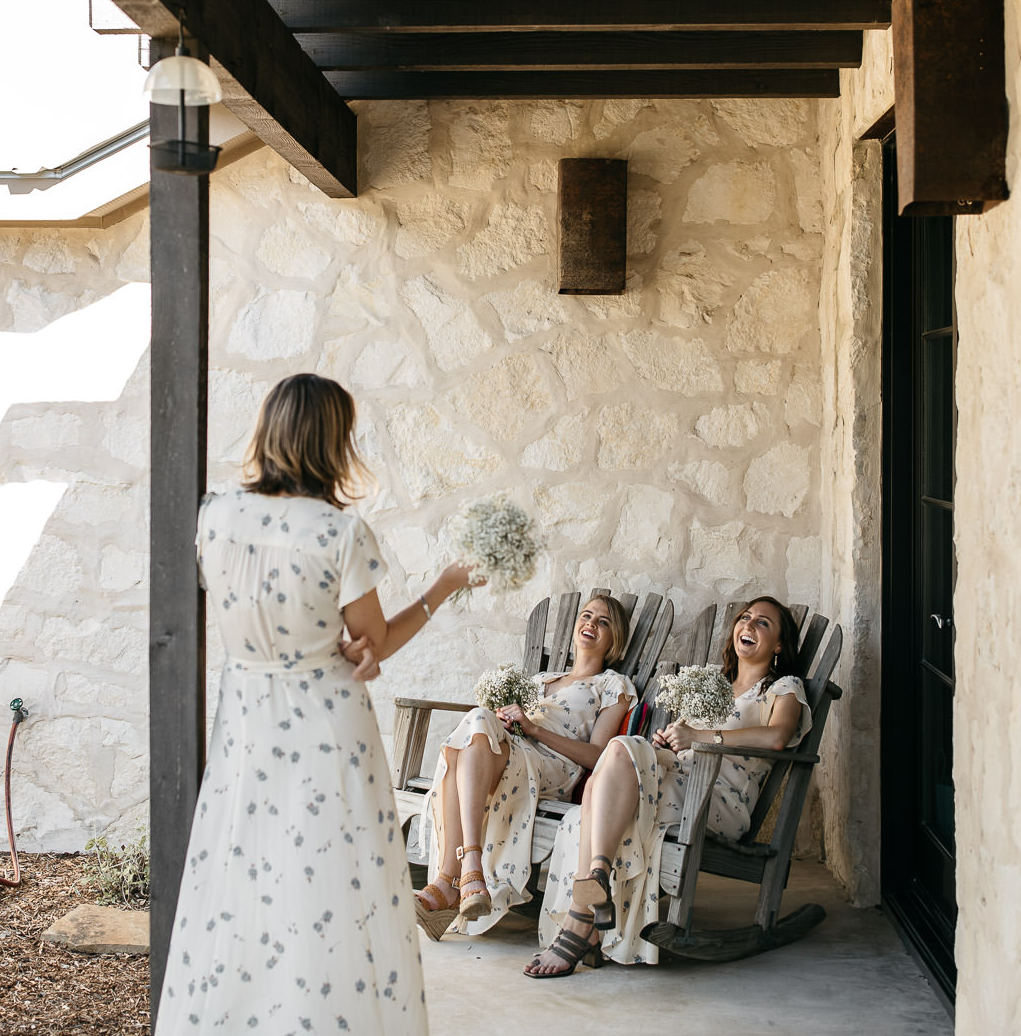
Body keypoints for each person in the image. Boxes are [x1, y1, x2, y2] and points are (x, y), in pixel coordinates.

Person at [155, 373, 472, 1034]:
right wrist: (443, 586)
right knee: (332, 881)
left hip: (245, 719)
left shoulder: (214, 514)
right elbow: (375, 643)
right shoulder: (339, 533)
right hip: (327, 722)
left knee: (243, 869)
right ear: (334, 441)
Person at [526, 596, 812, 976]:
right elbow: (686, 742)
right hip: (680, 781)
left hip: (715, 800)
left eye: (763, 623)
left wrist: (701, 736)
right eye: (745, 617)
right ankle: (596, 880)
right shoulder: (713, 685)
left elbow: (777, 737)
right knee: (612, 761)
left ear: (778, 645)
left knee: (614, 765)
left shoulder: (783, 687)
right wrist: (670, 742)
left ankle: (581, 917)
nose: (748, 625)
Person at [411, 596, 635, 940]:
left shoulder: (612, 685)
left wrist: (533, 729)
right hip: (513, 750)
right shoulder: (541, 679)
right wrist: (502, 720)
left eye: (603, 622)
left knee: (471, 735)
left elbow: (597, 757)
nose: (591, 623)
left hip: (552, 765)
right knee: (476, 726)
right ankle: (466, 875)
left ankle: (451, 878)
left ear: (615, 640)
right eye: (586, 615)